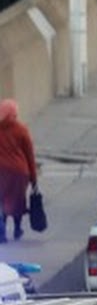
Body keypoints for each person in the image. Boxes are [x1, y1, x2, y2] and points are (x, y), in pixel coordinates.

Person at [0, 100, 39, 243]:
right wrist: (34, 179)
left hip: (1, 171)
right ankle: (17, 228)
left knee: (2, 201)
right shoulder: (22, 130)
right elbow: (29, 155)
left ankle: (2, 232)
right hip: (19, 172)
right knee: (18, 201)